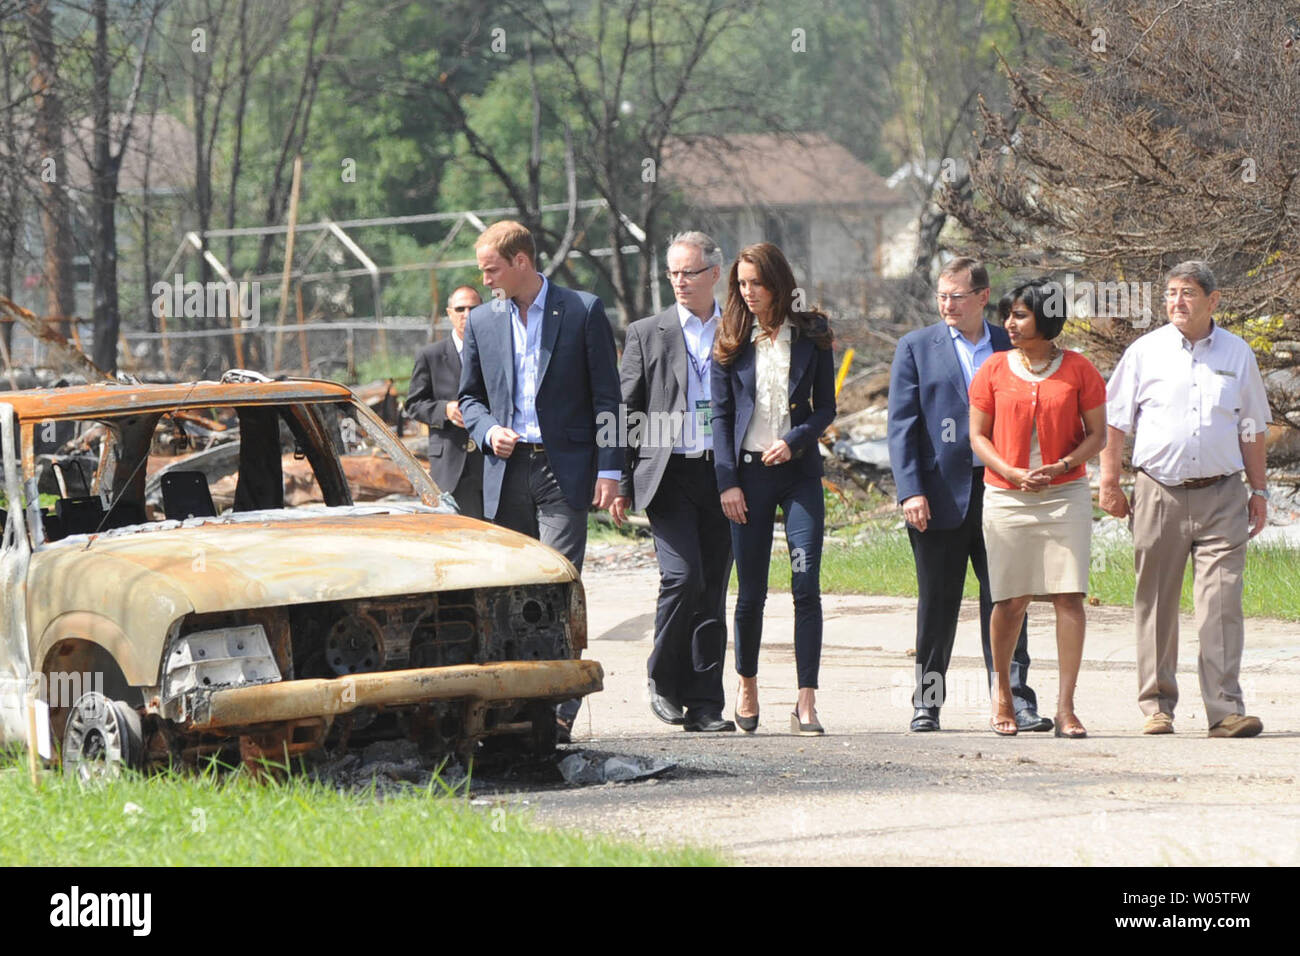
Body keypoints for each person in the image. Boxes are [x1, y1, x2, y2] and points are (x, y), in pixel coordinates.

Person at [458, 220, 622, 739]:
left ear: (521, 262)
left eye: (492, 270)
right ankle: (515, 710)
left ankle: (559, 708)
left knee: (556, 585)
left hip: (563, 469)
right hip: (506, 472)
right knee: (509, 591)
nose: (485, 281)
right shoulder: (483, 322)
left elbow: (607, 399)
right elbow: (469, 398)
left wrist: (611, 469)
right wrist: (486, 432)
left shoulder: (582, 311)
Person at [1099, 260, 1270, 738]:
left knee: (1221, 603)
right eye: (1171, 292)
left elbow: (1252, 427)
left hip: (1223, 494)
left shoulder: (1237, 354)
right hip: (1158, 492)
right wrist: (1109, 483)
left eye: (1188, 293)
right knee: (1155, 602)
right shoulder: (1145, 352)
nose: (1177, 301)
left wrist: (1258, 491)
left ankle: (1225, 710)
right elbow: (1115, 422)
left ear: (1213, 301)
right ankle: (1157, 705)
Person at [887, 258, 1049, 733]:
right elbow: (902, 427)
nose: (947, 305)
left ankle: (1015, 700)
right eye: (941, 296)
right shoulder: (916, 347)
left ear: (982, 297)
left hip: (1002, 491)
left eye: (956, 296)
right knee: (937, 603)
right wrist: (910, 491)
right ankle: (928, 703)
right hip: (937, 496)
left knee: (1007, 600)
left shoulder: (1010, 344)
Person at [968, 278, 1108, 738]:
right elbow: (978, 437)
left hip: (1064, 496)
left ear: (1046, 320)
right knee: (1009, 600)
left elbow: (1098, 436)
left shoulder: (1080, 370)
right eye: (1008, 314)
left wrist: (1065, 464)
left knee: (1069, 597)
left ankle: (1066, 707)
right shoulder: (991, 369)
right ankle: (1003, 693)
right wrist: (1011, 472)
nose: (1009, 322)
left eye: (1021, 314)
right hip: (1006, 497)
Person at [610, 231, 734, 733]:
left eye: (689, 272)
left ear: (714, 274)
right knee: (682, 578)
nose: (680, 282)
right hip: (668, 473)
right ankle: (662, 680)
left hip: (723, 476)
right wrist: (618, 478)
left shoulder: (737, 329)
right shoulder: (648, 332)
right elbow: (626, 410)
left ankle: (705, 703)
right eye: (673, 273)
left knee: (713, 589)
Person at [711, 242, 835, 735]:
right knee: (751, 592)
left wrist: (795, 440)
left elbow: (825, 408)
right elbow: (719, 417)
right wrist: (727, 482)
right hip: (747, 478)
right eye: (741, 284)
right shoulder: (731, 337)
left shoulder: (812, 332)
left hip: (799, 472)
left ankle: (806, 701)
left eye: (756, 283)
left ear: (779, 283)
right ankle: (746, 685)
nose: (748, 292)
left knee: (805, 584)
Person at [406, 285, 485, 518]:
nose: (467, 314)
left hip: (491, 460)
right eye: (460, 309)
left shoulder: (497, 352)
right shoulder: (430, 355)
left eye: (474, 308)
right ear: (449, 313)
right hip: (451, 461)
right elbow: (413, 404)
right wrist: (445, 410)